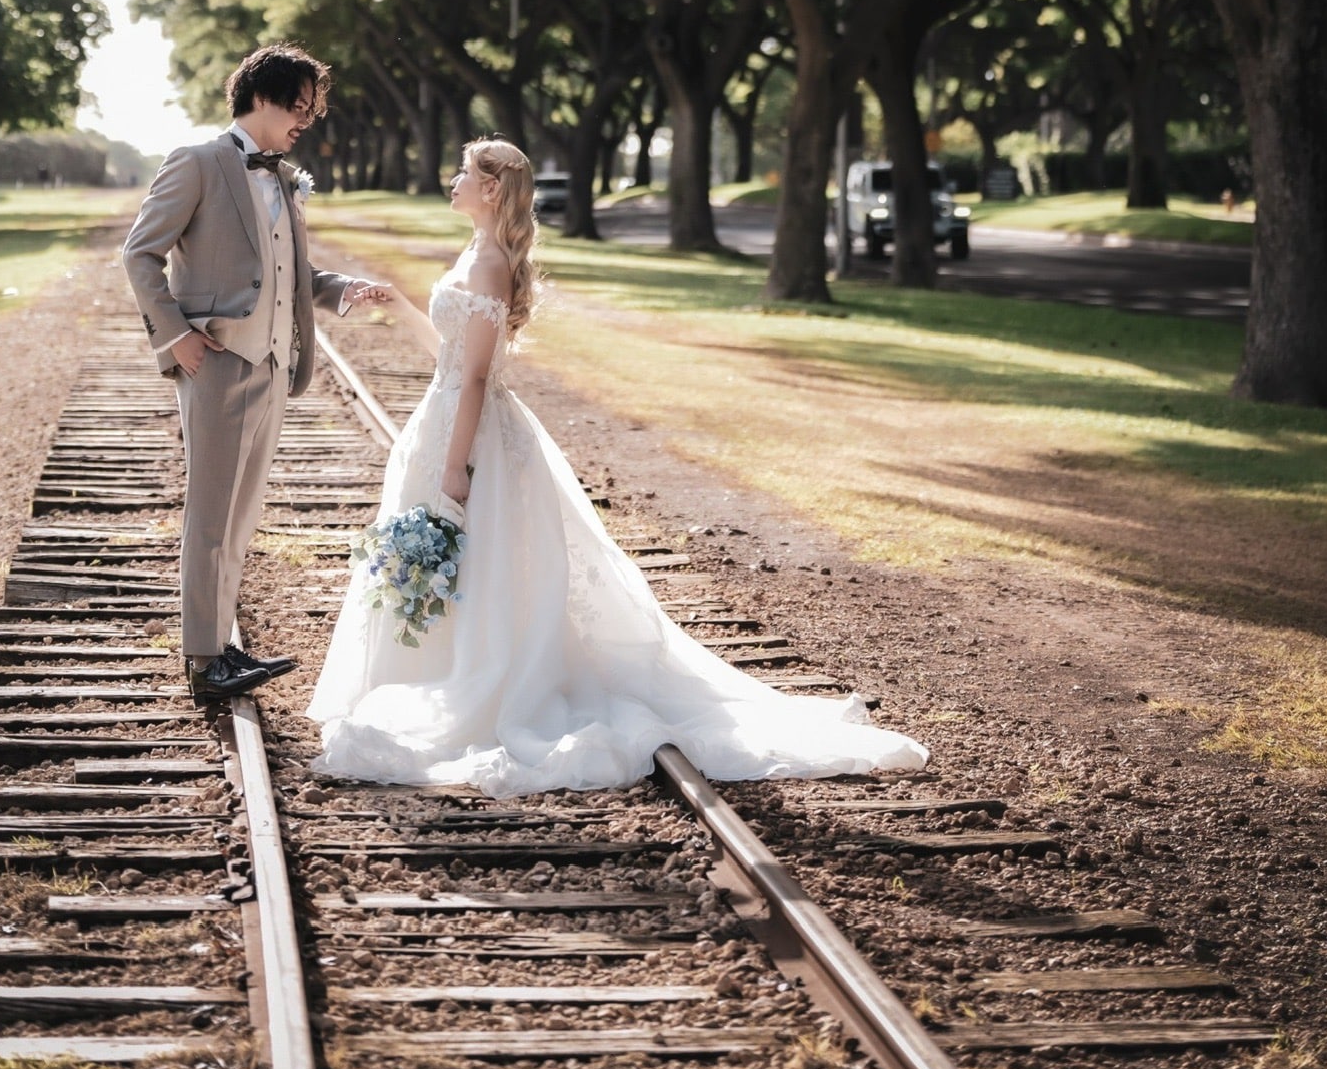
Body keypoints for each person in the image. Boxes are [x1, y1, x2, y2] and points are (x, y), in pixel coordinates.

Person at [309, 137, 927, 793]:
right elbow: (451, 357)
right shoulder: (473, 252)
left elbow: (476, 379)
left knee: (475, 556)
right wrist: (398, 308)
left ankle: (482, 683)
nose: (452, 180)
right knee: (461, 563)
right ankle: (433, 673)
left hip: (468, 432)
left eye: (464, 173)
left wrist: (456, 466)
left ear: (491, 190)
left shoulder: (490, 264)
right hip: (441, 421)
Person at [123, 43, 391, 702]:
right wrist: (175, 336)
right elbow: (139, 255)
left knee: (240, 519)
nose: (310, 119)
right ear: (262, 99)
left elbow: (289, 273)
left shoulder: (283, 178)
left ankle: (220, 645)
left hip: (273, 365)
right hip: (216, 361)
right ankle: (203, 660)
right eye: (302, 106)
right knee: (210, 515)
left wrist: (340, 289)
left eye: (316, 109)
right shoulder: (199, 162)